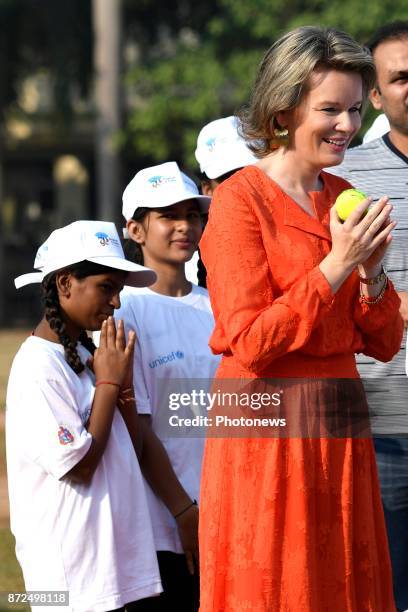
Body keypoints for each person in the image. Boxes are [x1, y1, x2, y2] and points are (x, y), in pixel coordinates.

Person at [198, 26, 404, 611]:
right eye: (330, 109)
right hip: (266, 419)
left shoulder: (341, 193)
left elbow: (385, 341)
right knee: (273, 584)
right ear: (283, 111)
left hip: (340, 412)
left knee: (342, 580)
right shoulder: (240, 201)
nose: (347, 126)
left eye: (356, 110)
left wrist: (373, 273)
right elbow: (253, 341)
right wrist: (336, 266)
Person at [6, 220, 162, 612]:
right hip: (71, 582)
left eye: (118, 291)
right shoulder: (38, 367)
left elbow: (133, 445)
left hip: (114, 572)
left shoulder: (89, 358)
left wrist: (119, 383)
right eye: (106, 288)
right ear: (64, 284)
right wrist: (109, 385)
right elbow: (79, 467)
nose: (116, 303)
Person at [117, 161, 220, 611]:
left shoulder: (219, 306)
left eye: (193, 215)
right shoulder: (125, 310)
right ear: (135, 230)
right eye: (168, 216)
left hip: (225, 511)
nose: (184, 226)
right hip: (160, 523)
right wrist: (183, 510)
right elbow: (137, 427)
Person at [331, 21, 408, 612]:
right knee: (386, 589)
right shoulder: (345, 179)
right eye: (400, 77)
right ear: (375, 98)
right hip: (384, 424)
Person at [185, 115, 256, 286]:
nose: (243, 185)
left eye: (253, 174)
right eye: (230, 179)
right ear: (207, 189)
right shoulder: (185, 259)